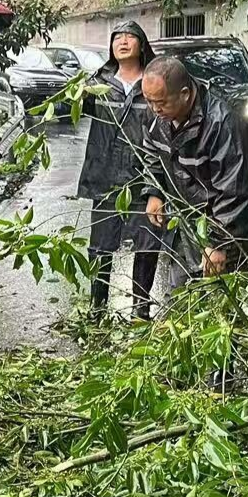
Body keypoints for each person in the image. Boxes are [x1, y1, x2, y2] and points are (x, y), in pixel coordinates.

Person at [140, 55, 248, 290]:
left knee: (220, 299)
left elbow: (235, 190)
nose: (155, 109)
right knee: (179, 295)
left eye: (161, 102)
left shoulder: (223, 121)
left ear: (185, 94)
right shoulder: (156, 112)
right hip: (188, 214)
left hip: (231, 221)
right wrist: (154, 191)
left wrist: (220, 244)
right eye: (149, 101)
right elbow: (152, 152)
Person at [75, 21, 163, 318]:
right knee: (100, 246)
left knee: (148, 244)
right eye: (117, 38)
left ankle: (140, 307)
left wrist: (157, 188)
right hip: (105, 178)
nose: (123, 42)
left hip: (144, 175)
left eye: (130, 37)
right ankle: (97, 308)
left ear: (141, 44)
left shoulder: (153, 83)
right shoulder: (98, 83)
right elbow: (74, 109)